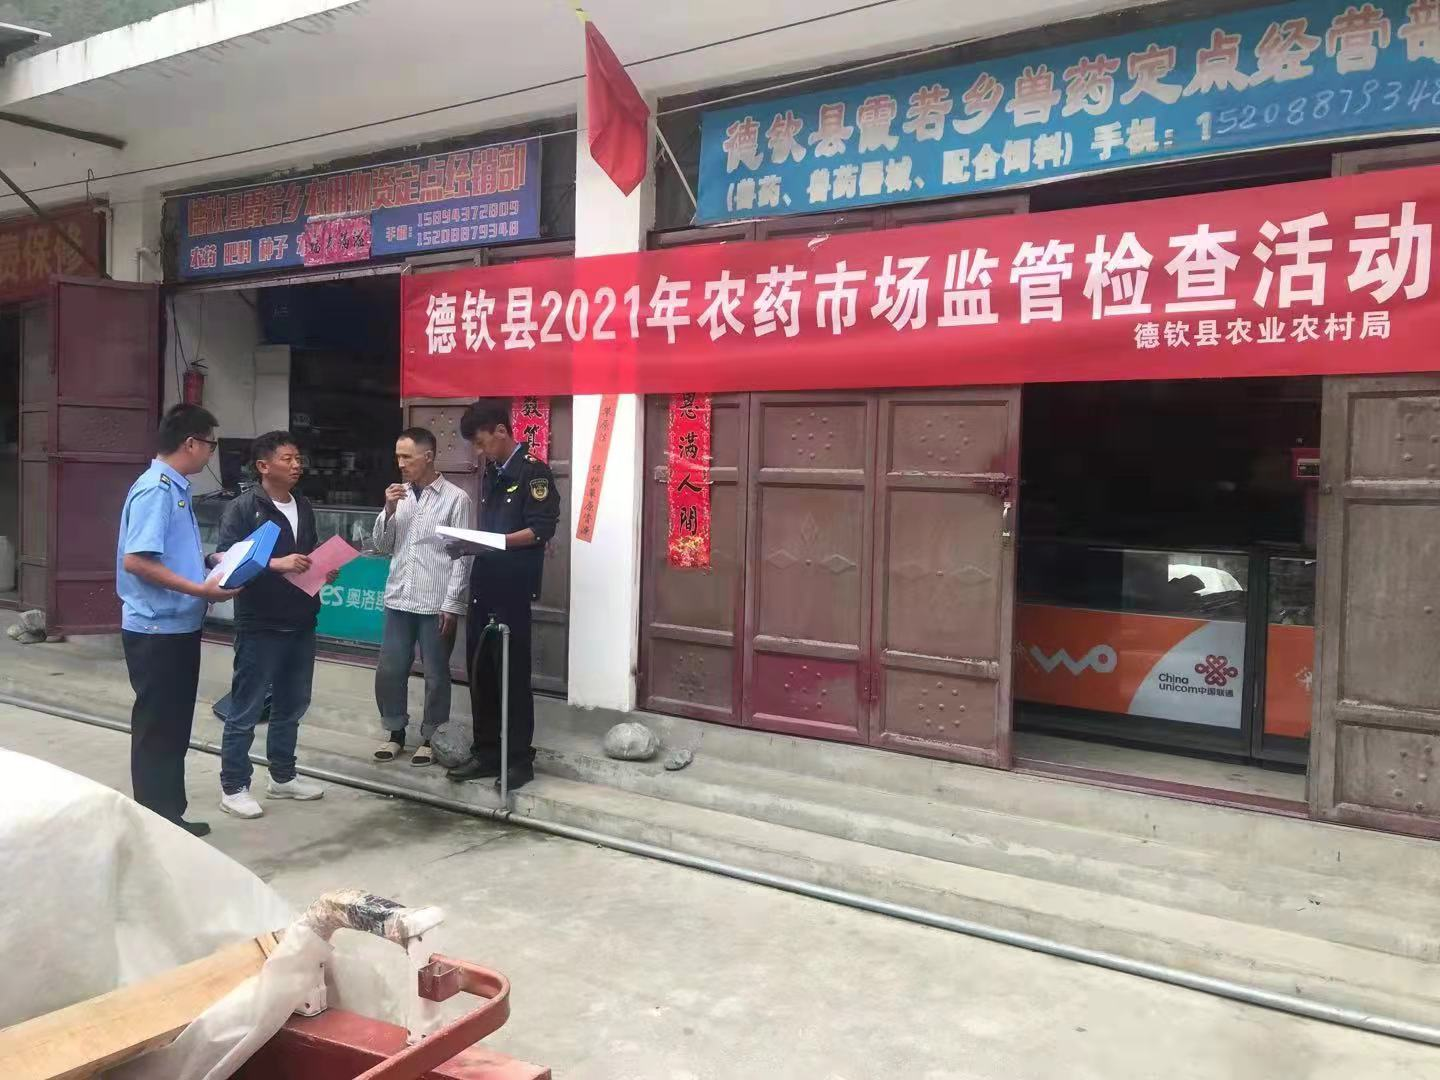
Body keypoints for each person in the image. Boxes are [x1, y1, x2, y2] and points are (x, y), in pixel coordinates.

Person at [116, 404, 239, 837]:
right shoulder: (157, 490)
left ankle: (168, 814)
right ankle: (156, 821)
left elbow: (166, 554)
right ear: (191, 443)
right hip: (157, 628)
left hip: (176, 625)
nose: (210, 454)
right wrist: (201, 590)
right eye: (210, 445)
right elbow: (137, 560)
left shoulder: (175, 487)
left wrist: (211, 561)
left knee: (172, 725)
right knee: (158, 727)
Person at [213, 431, 336, 819]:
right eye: (288, 459)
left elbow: (308, 554)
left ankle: (282, 777)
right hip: (260, 621)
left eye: (298, 459)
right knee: (246, 707)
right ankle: (234, 787)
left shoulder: (304, 505)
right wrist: (275, 564)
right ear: (264, 466)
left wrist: (322, 568)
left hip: (301, 618)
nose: (297, 465)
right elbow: (221, 557)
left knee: (292, 705)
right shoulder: (244, 508)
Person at [445, 399, 560, 790]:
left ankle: (518, 760)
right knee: (482, 673)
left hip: (512, 589)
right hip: (484, 585)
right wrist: (468, 545)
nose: (480, 452)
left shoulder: (533, 472)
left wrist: (496, 542)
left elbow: (541, 529)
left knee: (511, 675)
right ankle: (486, 752)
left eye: (482, 443)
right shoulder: (492, 473)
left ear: (500, 431)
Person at [372, 427, 472, 765]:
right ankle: (395, 732)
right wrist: (388, 509)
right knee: (390, 670)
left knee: (436, 674)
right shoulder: (399, 496)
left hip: (436, 602)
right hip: (399, 596)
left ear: (428, 457)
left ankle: (432, 735)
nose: (401, 464)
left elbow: (463, 556)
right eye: (397, 457)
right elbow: (382, 546)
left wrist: (452, 603)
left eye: (407, 457)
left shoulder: (456, 498)